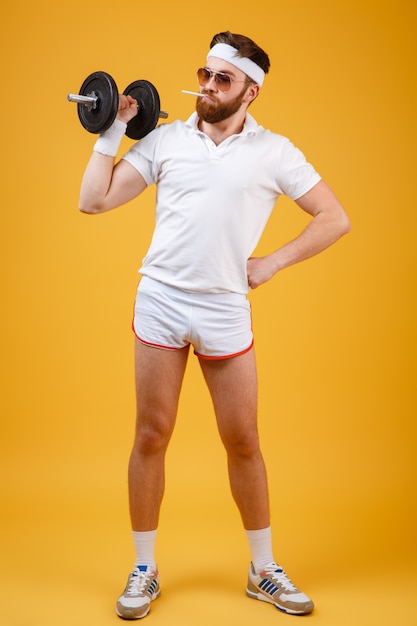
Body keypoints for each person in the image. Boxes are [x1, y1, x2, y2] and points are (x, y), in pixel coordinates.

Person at [78, 31, 350, 620]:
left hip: (225, 305)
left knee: (244, 442)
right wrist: (112, 129)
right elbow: (92, 200)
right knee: (151, 435)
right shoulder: (166, 140)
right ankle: (144, 569)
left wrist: (272, 262)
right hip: (162, 301)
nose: (207, 85)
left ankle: (263, 569)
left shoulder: (275, 152)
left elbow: (335, 218)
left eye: (222, 80)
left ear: (250, 91)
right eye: (204, 74)